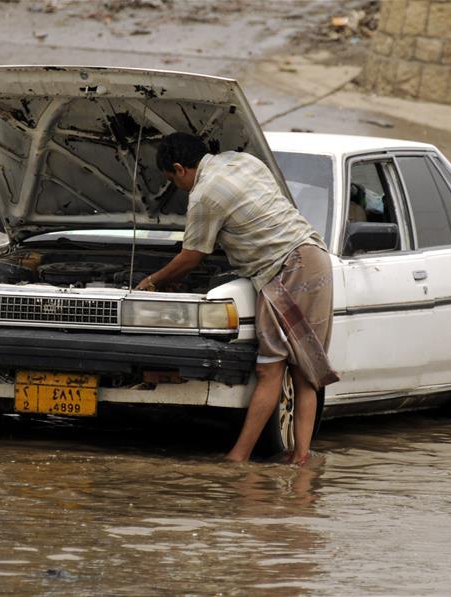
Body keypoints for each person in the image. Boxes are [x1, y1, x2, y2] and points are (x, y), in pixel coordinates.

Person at [135, 132, 339, 464]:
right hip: (314, 257)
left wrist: (153, 281)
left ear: (179, 168)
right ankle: (300, 460)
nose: (177, 188)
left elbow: (191, 257)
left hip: (287, 268)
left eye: (172, 180)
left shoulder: (203, 195)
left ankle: (238, 458)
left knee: (271, 368)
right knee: (305, 370)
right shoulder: (244, 160)